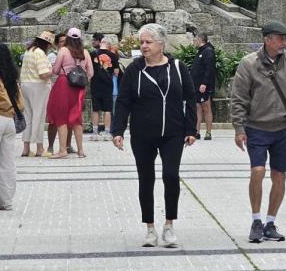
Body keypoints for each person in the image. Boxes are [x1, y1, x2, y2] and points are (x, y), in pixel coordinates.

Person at [111, 24, 197, 248]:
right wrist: (117, 130)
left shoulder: (178, 67)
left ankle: (169, 225)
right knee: (145, 179)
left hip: (173, 132)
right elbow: (123, 101)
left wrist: (191, 130)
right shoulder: (134, 70)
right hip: (142, 134)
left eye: (148, 42)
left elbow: (190, 98)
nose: (144, 46)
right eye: (142, 42)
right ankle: (150, 228)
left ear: (161, 44)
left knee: (170, 175)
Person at [230, 21, 286, 243]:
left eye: (285, 38)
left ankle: (270, 222)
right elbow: (239, 99)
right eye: (279, 38)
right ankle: (256, 220)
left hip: (284, 128)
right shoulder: (248, 64)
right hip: (256, 127)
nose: (283, 42)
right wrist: (239, 128)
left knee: (280, 175)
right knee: (257, 171)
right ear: (267, 39)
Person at [47, 28, 93, 159]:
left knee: (61, 116)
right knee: (77, 118)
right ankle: (81, 150)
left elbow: (55, 70)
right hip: (79, 88)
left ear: (67, 38)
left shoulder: (63, 50)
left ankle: (62, 150)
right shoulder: (85, 52)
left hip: (63, 84)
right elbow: (91, 73)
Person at [0, 42, 24, 212]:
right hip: (9, 120)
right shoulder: (11, 74)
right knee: (7, 161)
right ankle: (6, 200)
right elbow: (21, 103)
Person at [19, 31, 54, 157]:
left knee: (27, 116)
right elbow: (43, 74)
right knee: (39, 116)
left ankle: (26, 148)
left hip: (25, 84)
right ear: (47, 44)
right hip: (38, 86)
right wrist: (52, 69)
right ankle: (39, 148)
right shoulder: (40, 53)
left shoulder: (29, 51)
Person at [90, 33, 119, 141]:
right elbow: (116, 71)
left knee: (95, 109)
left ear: (101, 43)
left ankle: (95, 133)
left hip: (95, 84)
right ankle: (107, 133)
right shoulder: (113, 55)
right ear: (108, 45)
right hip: (107, 85)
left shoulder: (92, 54)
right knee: (108, 109)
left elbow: (89, 69)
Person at [191, 33, 216, 141]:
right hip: (196, 85)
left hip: (204, 85)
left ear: (200, 40)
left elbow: (209, 69)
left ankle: (208, 132)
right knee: (197, 107)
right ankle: (196, 132)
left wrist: (204, 83)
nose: (194, 41)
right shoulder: (200, 51)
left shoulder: (208, 51)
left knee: (206, 107)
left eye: (195, 39)